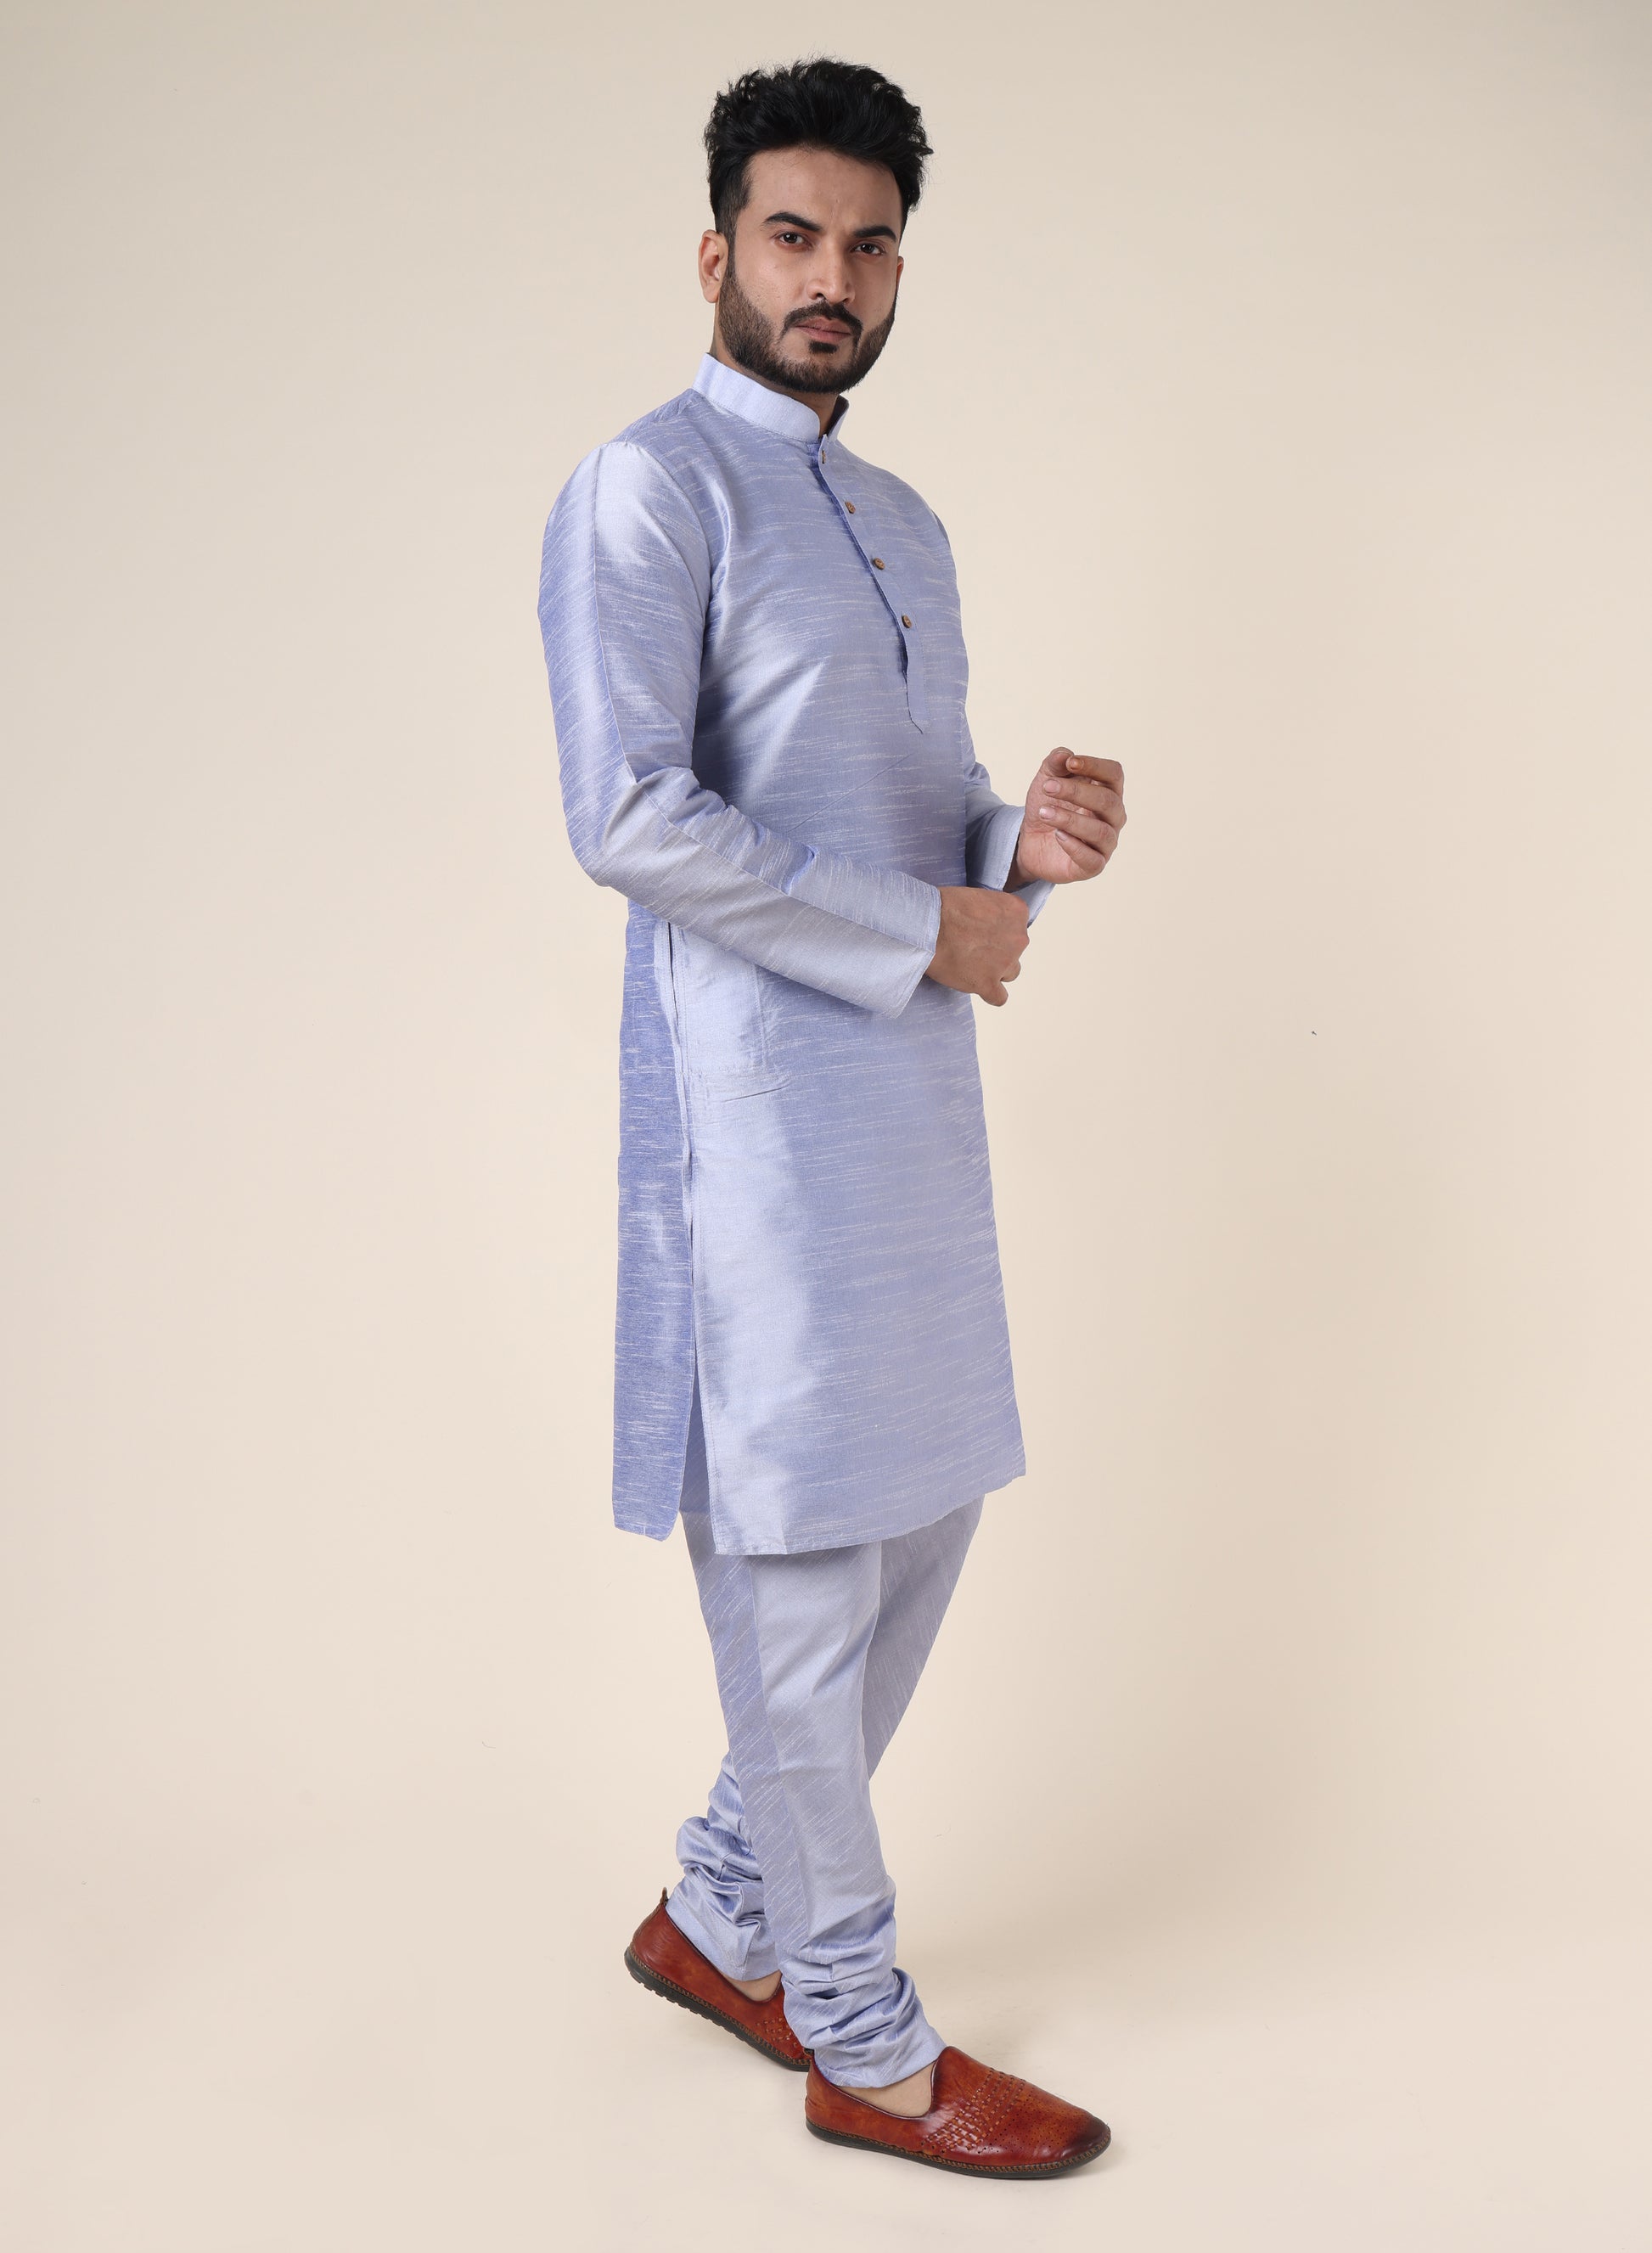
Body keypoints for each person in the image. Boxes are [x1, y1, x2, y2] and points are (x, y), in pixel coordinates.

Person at [536, 56, 1127, 2180]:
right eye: (793, 235)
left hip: (908, 1108)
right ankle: (859, 2036)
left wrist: (1014, 844)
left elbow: (906, 812)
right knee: (794, 1559)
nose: (832, 278)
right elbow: (627, 812)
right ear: (716, 252)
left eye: (870, 245)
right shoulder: (644, 489)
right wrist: (925, 924)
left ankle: (720, 1903)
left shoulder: (906, 524)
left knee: (928, 1511)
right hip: (760, 1128)